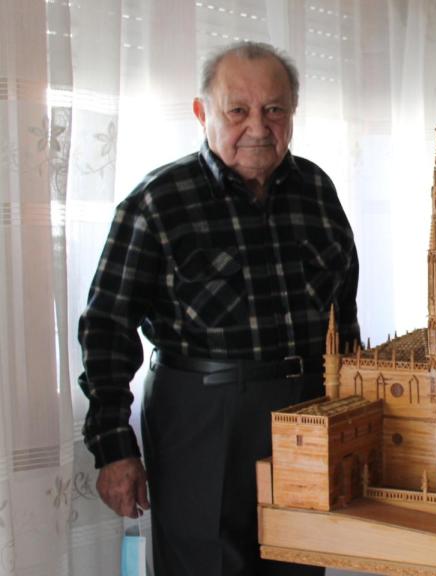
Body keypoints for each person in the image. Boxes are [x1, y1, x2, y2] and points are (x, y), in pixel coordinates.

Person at [78, 41, 359, 575]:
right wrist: (115, 448)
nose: (258, 125)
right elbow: (106, 327)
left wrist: (352, 414)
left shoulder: (318, 191)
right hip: (202, 414)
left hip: (308, 411)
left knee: (300, 560)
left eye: (274, 109)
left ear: (291, 115)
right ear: (202, 113)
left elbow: (343, 315)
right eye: (238, 110)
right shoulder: (159, 201)